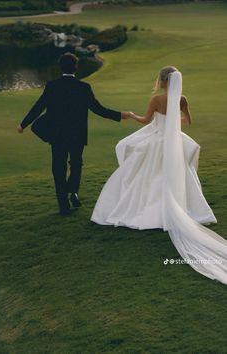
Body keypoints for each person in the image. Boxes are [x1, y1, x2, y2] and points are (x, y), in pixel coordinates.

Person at [91, 66, 227, 285]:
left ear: (163, 80)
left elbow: (145, 120)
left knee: (145, 174)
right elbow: (186, 121)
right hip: (173, 142)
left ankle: (149, 208)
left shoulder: (156, 100)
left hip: (157, 140)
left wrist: (132, 115)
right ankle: (182, 207)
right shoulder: (181, 99)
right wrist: (176, 118)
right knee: (177, 174)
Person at [17, 53, 130, 216]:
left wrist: (23, 124)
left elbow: (38, 107)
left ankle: (64, 206)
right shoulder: (84, 87)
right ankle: (72, 191)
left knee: (58, 168)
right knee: (76, 165)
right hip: (77, 135)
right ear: (75, 67)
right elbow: (98, 109)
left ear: (60, 67)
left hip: (57, 136)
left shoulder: (52, 86)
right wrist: (119, 115)